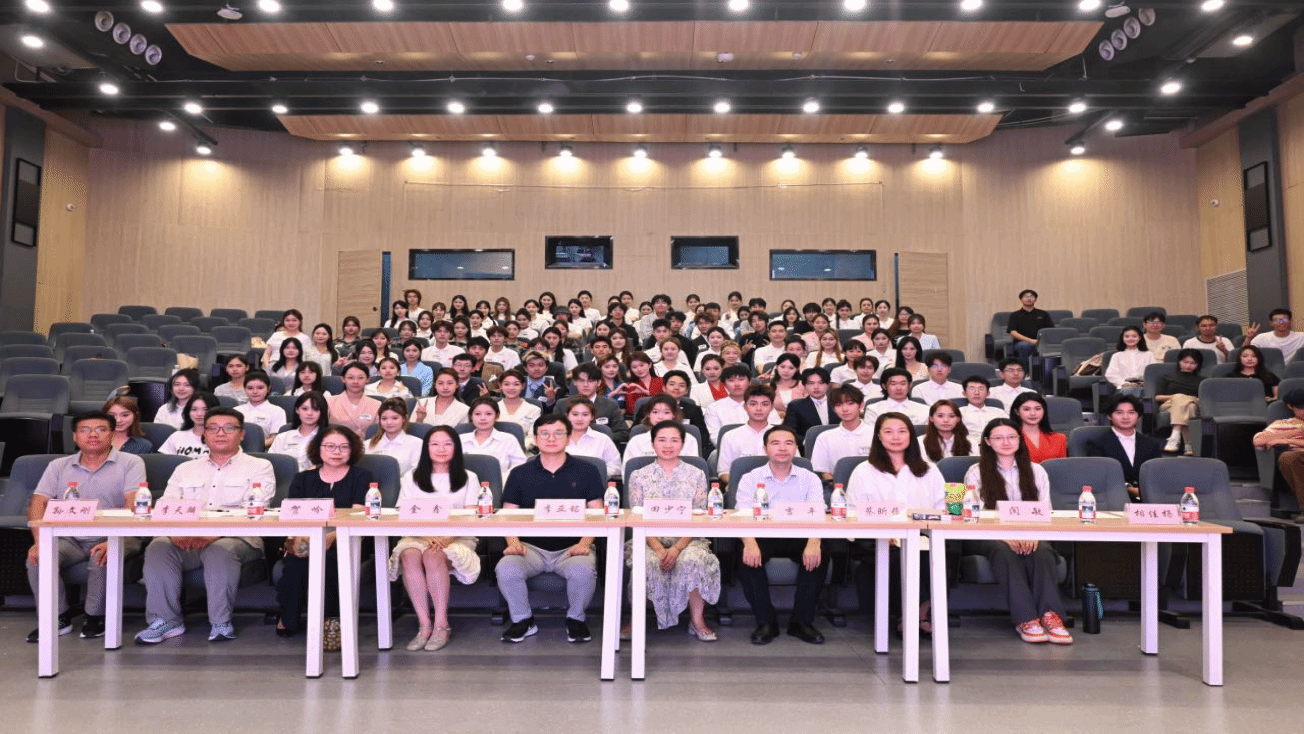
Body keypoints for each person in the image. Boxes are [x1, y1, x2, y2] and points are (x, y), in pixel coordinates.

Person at [136, 408, 275, 644]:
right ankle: (165, 621)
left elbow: (252, 511)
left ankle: (220, 622)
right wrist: (174, 534)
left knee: (219, 550)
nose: (220, 433)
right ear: (204, 434)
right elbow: (167, 507)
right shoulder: (185, 469)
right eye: (213, 428)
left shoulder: (260, 466)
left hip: (238, 539)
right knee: (158, 547)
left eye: (228, 428)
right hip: (187, 538)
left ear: (241, 434)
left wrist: (213, 534)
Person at [24, 411, 145, 642]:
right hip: (68, 537)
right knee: (39, 557)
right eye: (85, 430)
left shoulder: (131, 462)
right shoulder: (58, 465)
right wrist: (39, 542)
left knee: (103, 556)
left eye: (100, 429)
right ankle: (56, 618)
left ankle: (95, 617)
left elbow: (133, 503)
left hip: (117, 533)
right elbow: (39, 503)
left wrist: (113, 539)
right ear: (75, 436)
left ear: (112, 435)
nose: (92, 435)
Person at [497, 415, 605, 643]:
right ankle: (523, 620)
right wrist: (513, 543)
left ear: (568, 437)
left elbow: (597, 513)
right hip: (530, 547)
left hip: (572, 547)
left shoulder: (587, 471)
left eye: (558, 433)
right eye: (544, 434)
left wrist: (585, 543)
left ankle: (576, 619)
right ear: (535, 439)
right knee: (506, 568)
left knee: (583, 571)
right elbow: (507, 515)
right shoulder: (519, 473)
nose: (551, 438)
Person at [963, 419, 1072, 645]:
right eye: (998, 438)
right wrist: (1004, 536)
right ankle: (1027, 618)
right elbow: (974, 513)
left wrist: (1032, 535)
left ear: (1020, 440)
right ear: (987, 442)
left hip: (1031, 530)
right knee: (1004, 552)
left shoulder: (1037, 470)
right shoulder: (976, 472)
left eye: (1012, 437)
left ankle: (1050, 616)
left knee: (1043, 552)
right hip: (987, 533)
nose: (1006, 442)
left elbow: (1045, 510)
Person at [275, 426, 374, 648]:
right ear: (318, 449)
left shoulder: (362, 477)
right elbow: (294, 516)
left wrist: (330, 538)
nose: (336, 452)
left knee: (329, 560)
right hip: (307, 538)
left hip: (347, 539)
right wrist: (307, 541)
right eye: (330, 446)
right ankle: (289, 616)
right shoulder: (302, 479)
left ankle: (331, 621)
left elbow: (358, 516)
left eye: (343, 447)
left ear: (352, 450)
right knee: (296, 560)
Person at [847, 412, 945, 634]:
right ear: (878, 436)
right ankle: (912, 615)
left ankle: (919, 613)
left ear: (911, 435)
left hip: (923, 535)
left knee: (938, 553)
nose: (896, 437)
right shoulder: (863, 471)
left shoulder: (929, 470)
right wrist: (883, 533)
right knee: (899, 556)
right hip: (877, 538)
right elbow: (853, 512)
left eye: (902, 431)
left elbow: (941, 509)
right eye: (888, 432)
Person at [387, 425, 483, 651]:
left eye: (448, 444)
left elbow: (471, 514)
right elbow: (404, 513)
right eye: (435, 444)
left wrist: (445, 537)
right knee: (410, 554)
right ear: (426, 448)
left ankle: (441, 624)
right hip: (418, 532)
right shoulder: (411, 477)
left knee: (433, 555)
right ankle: (424, 625)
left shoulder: (469, 477)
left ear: (456, 448)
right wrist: (428, 534)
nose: (441, 449)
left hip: (457, 534)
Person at [625, 421, 720, 639]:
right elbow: (636, 516)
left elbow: (699, 516)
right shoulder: (638, 475)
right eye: (662, 440)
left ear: (683, 444)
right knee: (646, 561)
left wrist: (677, 548)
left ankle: (697, 621)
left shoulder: (696, 474)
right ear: (652, 444)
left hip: (688, 539)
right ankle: (634, 620)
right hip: (647, 538)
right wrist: (658, 548)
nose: (668, 445)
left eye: (674, 440)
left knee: (694, 559)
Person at [735, 426, 829, 645]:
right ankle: (765, 622)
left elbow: (818, 513)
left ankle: (802, 622)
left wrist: (814, 542)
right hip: (762, 535)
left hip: (800, 535)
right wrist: (749, 543)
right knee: (744, 552)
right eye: (775, 443)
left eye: (788, 443)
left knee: (821, 551)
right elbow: (742, 514)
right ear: (765, 448)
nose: (782, 448)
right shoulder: (751, 478)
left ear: (796, 448)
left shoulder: (809, 478)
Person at [1086, 395, 1163, 492]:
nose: (1125, 417)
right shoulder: (1097, 444)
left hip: (1147, 496)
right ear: (1109, 416)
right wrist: (1129, 489)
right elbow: (1098, 477)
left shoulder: (1151, 444)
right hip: (1113, 496)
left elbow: (1157, 475)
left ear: (1139, 416)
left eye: (1131, 412)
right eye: (1119, 412)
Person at [1253, 389, 1304, 515]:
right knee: (1288, 457)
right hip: (1297, 458)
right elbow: (1258, 441)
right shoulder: (1283, 424)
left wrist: (1288, 441)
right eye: (1301, 408)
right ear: (1290, 406)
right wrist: (1295, 432)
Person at [717, 385, 780, 485]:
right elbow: (724, 472)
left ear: (772, 407)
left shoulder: (783, 436)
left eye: (765, 404)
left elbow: (795, 465)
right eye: (753, 404)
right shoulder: (730, 436)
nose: (759, 409)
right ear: (745, 407)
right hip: (741, 488)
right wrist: (743, 485)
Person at [809, 385, 874, 481]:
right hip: (836, 486)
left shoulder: (875, 434)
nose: (844, 409)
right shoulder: (824, 437)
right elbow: (824, 473)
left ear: (861, 405)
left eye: (850, 403)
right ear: (833, 409)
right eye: (839, 405)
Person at [622, 395, 702, 472]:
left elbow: (694, 471)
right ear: (648, 414)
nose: (660, 417)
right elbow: (627, 472)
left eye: (666, 412)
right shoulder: (636, 441)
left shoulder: (689, 440)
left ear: (674, 415)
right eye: (655, 412)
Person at [556, 364, 631, 444]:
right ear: (575, 382)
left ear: (598, 382)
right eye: (581, 381)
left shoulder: (610, 405)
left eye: (590, 381)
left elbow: (623, 434)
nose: (585, 385)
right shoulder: (562, 404)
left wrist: (597, 438)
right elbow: (555, 430)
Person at [704, 365, 778, 444]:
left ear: (749, 382)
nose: (737, 384)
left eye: (741, 379)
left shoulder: (763, 404)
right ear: (724, 384)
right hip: (729, 448)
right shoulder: (714, 408)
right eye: (731, 380)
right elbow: (715, 437)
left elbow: (777, 429)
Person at [461, 397, 528, 479]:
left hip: (500, 483)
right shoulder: (460, 439)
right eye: (477, 414)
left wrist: (500, 480)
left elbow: (520, 466)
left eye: (488, 414)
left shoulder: (508, 439)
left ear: (497, 416)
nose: (482, 418)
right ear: (471, 416)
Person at [1155, 348, 1204, 455]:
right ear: (1179, 362)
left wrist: (1183, 398)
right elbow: (1158, 397)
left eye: (1193, 363)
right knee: (1184, 402)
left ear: (1198, 365)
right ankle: (1189, 445)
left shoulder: (1202, 381)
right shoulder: (1168, 376)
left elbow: (1202, 399)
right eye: (1185, 362)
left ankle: (1174, 439)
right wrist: (1176, 397)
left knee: (1190, 405)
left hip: (1193, 403)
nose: (1189, 365)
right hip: (1169, 405)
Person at [563, 398, 622, 478]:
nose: (580, 419)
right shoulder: (556, 438)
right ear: (567, 416)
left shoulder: (603, 439)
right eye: (575, 414)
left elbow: (616, 467)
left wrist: (594, 476)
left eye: (585, 415)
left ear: (592, 417)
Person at [269, 390, 327, 470]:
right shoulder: (282, 437)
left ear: (322, 412)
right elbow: (271, 463)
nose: (309, 413)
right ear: (297, 410)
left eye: (315, 409)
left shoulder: (328, 438)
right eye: (305, 409)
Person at [364, 397, 423, 475]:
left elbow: (416, 473)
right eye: (384, 418)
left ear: (404, 419)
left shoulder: (417, 444)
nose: (389, 422)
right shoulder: (367, 445)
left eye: (395, 418)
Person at [326, 362, 381, 438]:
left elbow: (378, 433)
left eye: (360, 378)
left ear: (367, 379)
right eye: (350, 378)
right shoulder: (329, 402)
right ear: (343, 379)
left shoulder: (377, 404)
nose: (355, 382)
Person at [782, 367, 835, 443]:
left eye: (821, 383)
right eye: (811, 383)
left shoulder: (837, 403)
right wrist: (807, 442)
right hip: (808, 447)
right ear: (804, 386)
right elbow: (789, 431)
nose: (816, 387)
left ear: (828, 385)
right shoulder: (796, 406)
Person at [158, 393, 218, 458]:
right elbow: (165, 461)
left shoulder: (222, 437)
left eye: (205, 409)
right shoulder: (177, 436)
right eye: (194, 409)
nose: (199, 414)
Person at [1010, 393, 1066, 463]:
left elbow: (1062, 467)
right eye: (1026, 409)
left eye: (1038, 409)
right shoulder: (1009, 439)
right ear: (1017, 412)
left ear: (1044, 410)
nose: (1033, 413)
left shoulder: (1059, 439)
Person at [1006, 289, 1054, 369]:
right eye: (1026, 297)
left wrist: (1040, 341)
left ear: (1035, 300)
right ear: (1021, 300)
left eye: (1032, 296)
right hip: (1022, 343)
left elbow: (1050, 331)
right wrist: (1031, 341)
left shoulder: (1043, 314)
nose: (1029, 298)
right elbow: (1013, 333)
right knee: (1024, 346)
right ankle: (1025, 372)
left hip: (1041, 342)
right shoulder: (1015, 315)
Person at [864, 368, 929, 426]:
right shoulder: (873, 409)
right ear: (884, 386)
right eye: (893, 384)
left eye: (903, 384)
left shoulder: (925, 409)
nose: (898, 388)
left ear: (910, 385)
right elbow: (870, 433)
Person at [234, 371, 285, 443]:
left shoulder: (277, 411)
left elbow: (275, 439)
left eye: (260, 388)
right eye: (250, 388)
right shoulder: (236, 411)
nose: (255, 392)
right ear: (245, 390)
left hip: (264, 449)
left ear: (268, 389)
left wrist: (256, 447)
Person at [1105, 326, 1154, 396]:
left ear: (1139, 338)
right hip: (1124, 387)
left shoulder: (1149, 354)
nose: (1130, 339)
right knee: (1130, 390)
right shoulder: (1117, 356)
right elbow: (1110, 374)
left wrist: (1145, 382)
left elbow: (1153, 373)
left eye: (1134, 336)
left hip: (1144, 386)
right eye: (1127, 336)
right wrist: (1124, 383)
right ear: (1123, 338)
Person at [621, 352, 664, 416]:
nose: (639, 369)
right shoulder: (630, 386)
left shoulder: (662, 381)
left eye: (641, 365)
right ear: (631, 370)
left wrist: (647, 392)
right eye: (634, 367)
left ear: (649, 364)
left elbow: (668, 401)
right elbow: (632, 409)